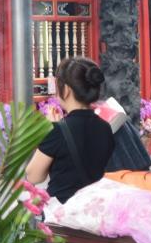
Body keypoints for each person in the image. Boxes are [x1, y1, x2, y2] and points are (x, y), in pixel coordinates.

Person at [27, 56, 115, 202]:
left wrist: (50, 130)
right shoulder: (105, 127)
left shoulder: (57, 130)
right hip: (92, 208)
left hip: (63, 210)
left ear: (66, 90)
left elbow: (33, 176)